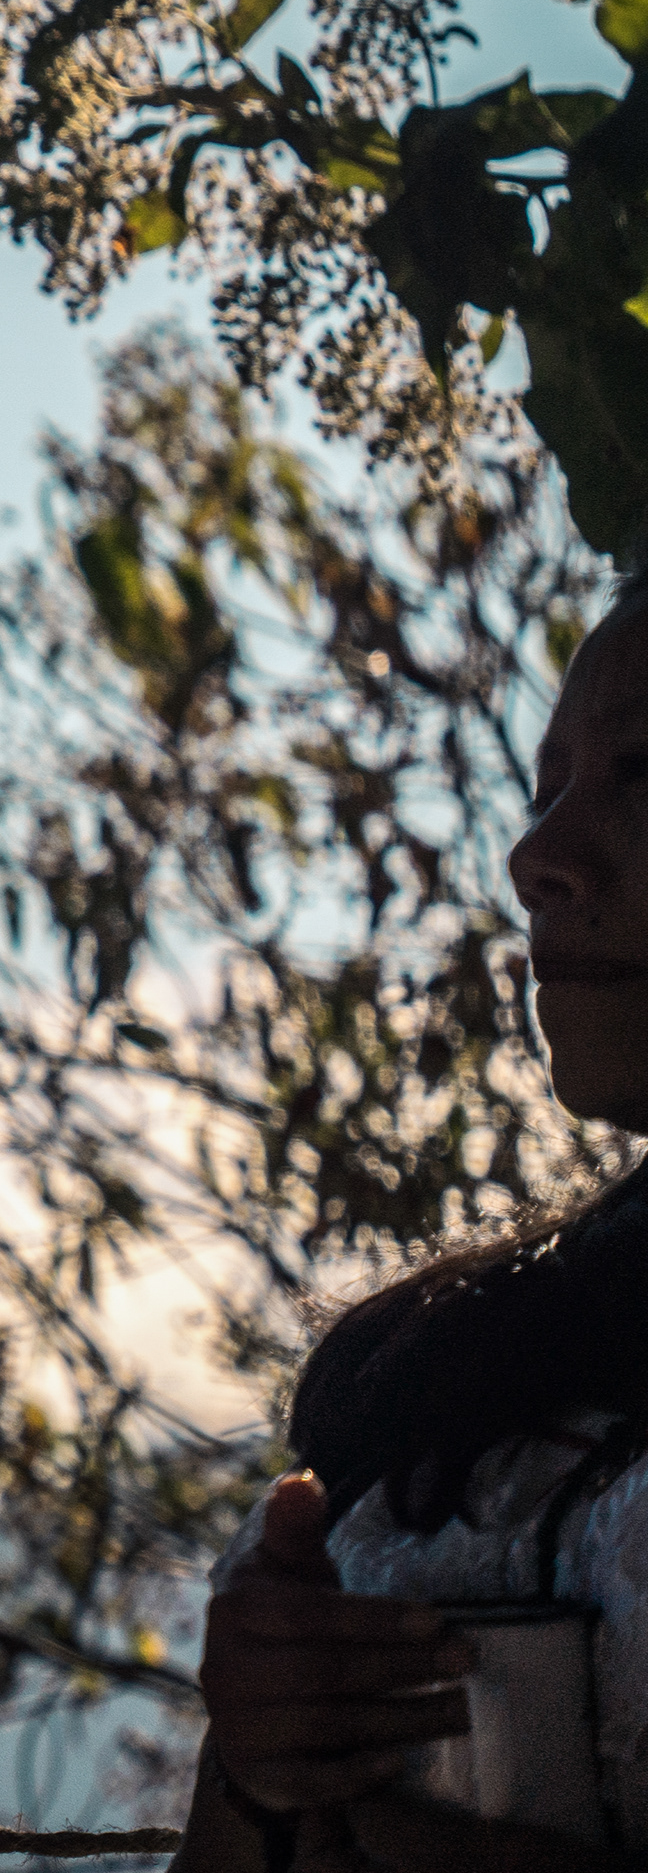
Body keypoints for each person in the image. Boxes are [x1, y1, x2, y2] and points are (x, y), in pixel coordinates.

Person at [179, 586, 648, 1873]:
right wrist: (265, 1763)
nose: (539, 852)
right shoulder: (446, 1360)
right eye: (549, 784)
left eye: (642, 772)